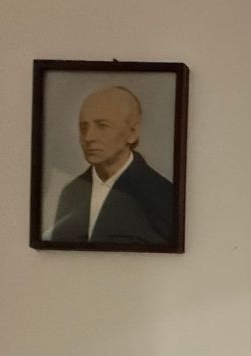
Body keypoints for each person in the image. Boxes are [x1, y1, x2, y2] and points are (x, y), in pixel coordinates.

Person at [49, 86, 174, 245]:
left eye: (102, 125)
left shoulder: (162, 195)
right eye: (83, 127)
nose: (88, 137)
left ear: (132, 132)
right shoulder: (71, 192)